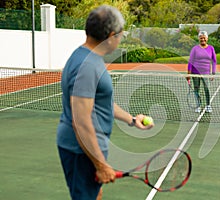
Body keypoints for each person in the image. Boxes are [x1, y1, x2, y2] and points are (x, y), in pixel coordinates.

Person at [56, 5, 153, 200]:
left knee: (95, 194)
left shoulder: (87, 57)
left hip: (86, 150)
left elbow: (101, 103)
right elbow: (81, 121)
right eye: (120, 35)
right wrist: (101, 164)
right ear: (110, 36)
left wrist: (132, 120)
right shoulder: (88, 66)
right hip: (81, 152)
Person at [187, 31, 217, 113]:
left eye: (204, 38)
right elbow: (190, 61)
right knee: (196, 89)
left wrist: (213, 73)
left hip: (206, 73)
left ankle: (208, 105)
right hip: (195, 73)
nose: (202, 39)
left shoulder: (211, 48)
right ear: (199, 39)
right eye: (201, 38)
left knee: (207, 89)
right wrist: (188, 74)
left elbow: (214, 61)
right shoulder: (195, 49)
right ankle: (198, 105)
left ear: (207, 38)